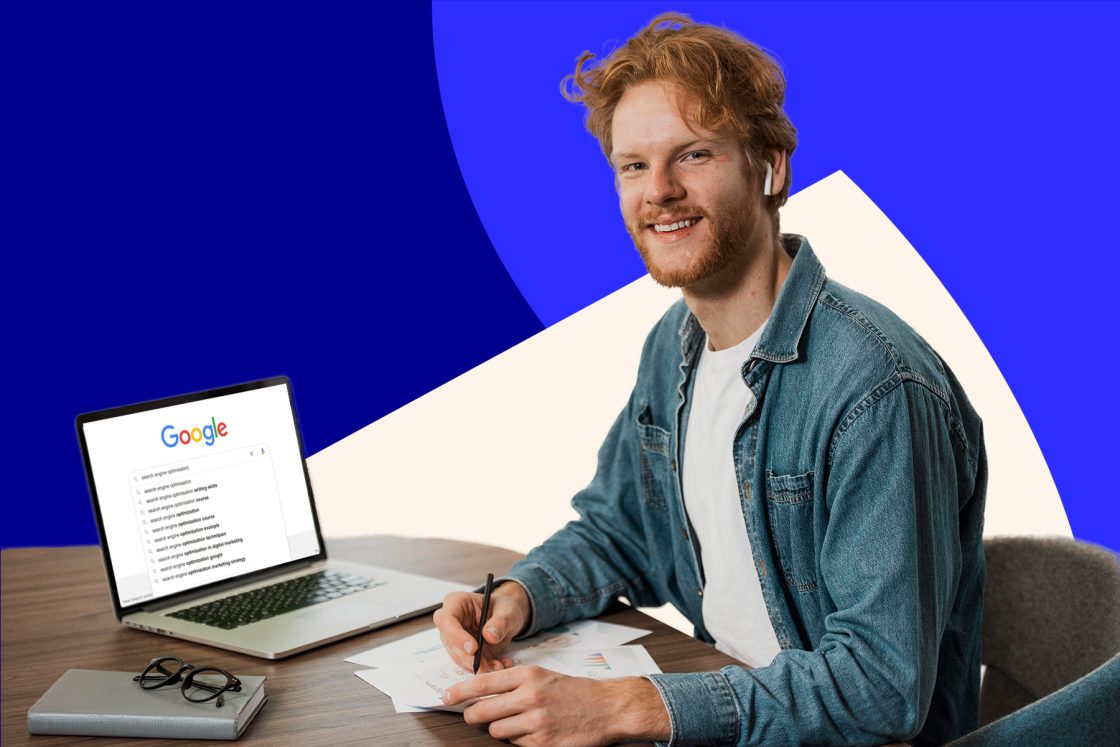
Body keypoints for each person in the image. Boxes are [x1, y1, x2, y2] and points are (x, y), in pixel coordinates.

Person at [433, 13, 986, 746]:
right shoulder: (678, 344)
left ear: (771, 166)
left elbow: (879, 688)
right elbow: (621, 527)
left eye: (692, 155)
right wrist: (520, 596)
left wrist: (631, 706)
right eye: (633, 166)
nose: (658, 191)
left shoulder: (876, 388)